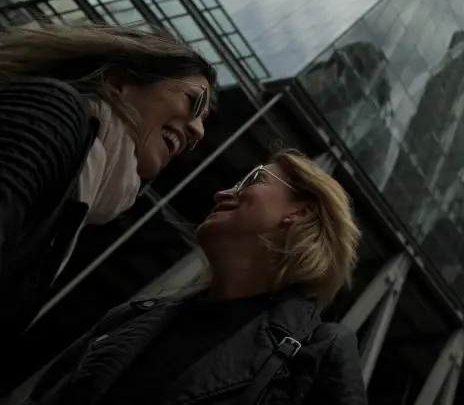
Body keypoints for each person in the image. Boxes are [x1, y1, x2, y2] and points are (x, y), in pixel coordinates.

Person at [25, 150, 366, 405]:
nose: (222, 193)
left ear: (299, 212)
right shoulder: (131, 316)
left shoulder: (318, 354)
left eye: (254, 180)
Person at [0, 24, 217, 334]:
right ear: (120, 82)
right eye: (194, 102)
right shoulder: (55, 112)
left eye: (202, 124)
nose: (198, 132)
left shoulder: (83, 191)